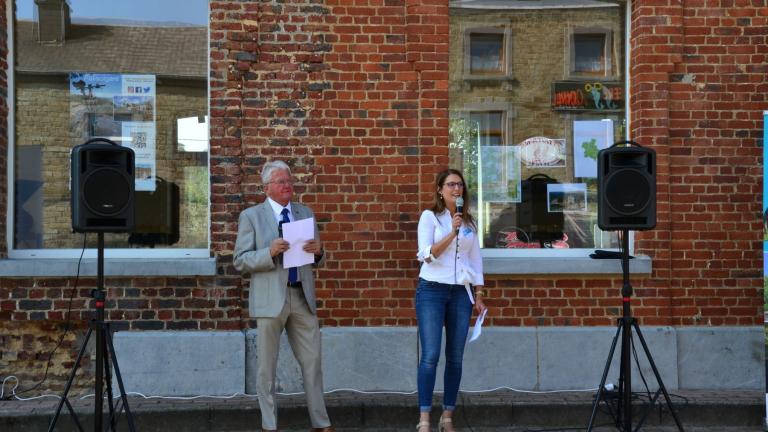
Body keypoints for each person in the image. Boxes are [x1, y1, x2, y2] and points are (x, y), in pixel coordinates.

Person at [233, 160, 335, 432]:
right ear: (267, 188)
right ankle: (269, 425)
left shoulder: (305, 212)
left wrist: (319, 252)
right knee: (267, 368)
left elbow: (318, 258)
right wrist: (269, 252)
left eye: (289, 180)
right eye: (280, 181)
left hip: (301, 297)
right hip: (270, 300)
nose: (287, 185)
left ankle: (321, 423)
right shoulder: (251, 216)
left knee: (312, 362)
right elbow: (240, 261)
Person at [415, 169, 486, 432]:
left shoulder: (469, 223)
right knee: (431, 355)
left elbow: (475, 261)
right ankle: (424, 417)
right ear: (439, 189)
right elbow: (426, 255)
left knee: (455, 357)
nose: (457, 189)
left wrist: (479, 295)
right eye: (451, 185)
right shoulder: (430, 217)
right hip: (432, 290)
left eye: (460, 185)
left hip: (460, 294)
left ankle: (448, 415)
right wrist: (451, 233)